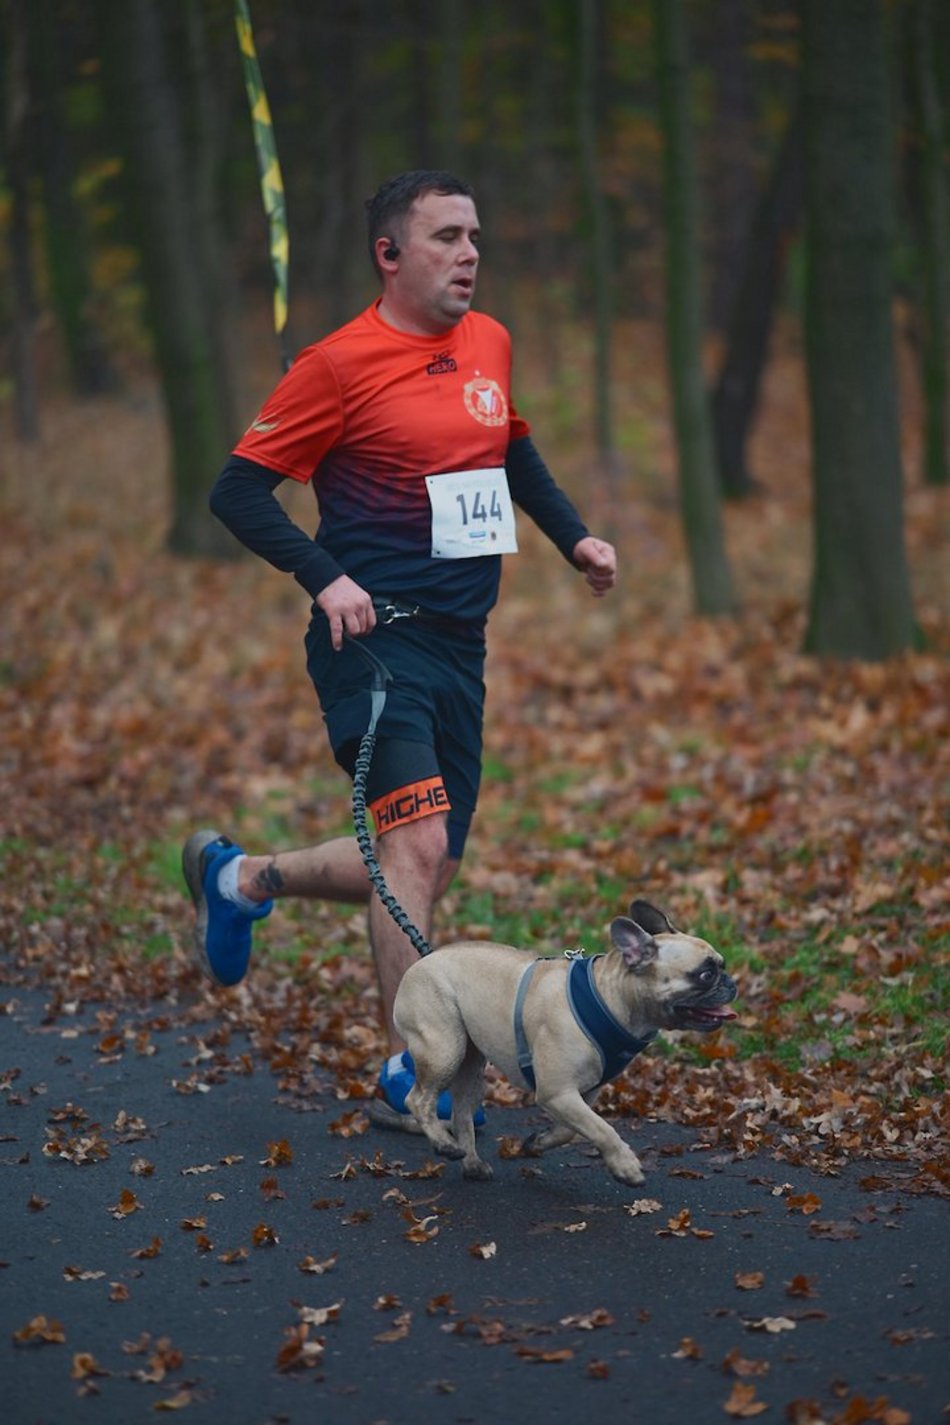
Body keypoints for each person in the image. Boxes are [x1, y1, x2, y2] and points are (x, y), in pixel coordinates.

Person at [182, 169, 617, 1133]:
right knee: (414, 845)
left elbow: (509, 448)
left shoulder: (489, 340)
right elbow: (236, 491)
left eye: (475, 236)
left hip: (462, 644)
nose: (469, 254)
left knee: (425, 859)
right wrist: (323, 575)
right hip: (372, 639)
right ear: (389, 254)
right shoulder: (336, 364)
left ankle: (243, 879)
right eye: (446, 237)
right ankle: (411, 1067)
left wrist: (574, 537)